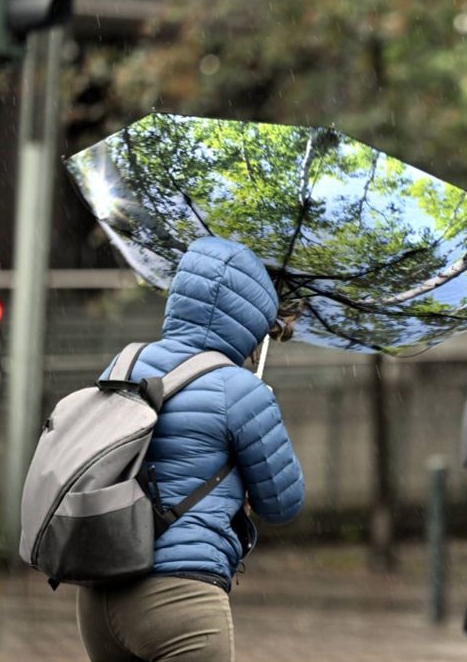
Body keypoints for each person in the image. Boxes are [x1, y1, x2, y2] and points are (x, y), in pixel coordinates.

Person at [76, 237, 305, 661]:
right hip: (179, 600)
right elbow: (283, 503)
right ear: (249, 318)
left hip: (99, 594)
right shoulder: (241, 391)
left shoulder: (124, 364)